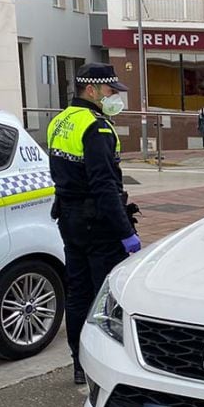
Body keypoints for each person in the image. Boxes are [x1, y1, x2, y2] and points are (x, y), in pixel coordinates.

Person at [46, 63, 141, 385]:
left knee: (78, 294)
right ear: (92, 90)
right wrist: (125, 232)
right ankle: (104, 366)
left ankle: (77, 364)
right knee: (106, 298)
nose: (115, 96)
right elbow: (104, 186)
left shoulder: (60, 121)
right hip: (97, 224)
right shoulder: (96, 127)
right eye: (111, 91)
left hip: (69, 219)